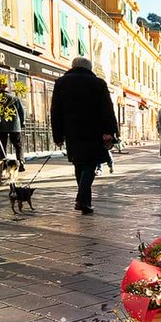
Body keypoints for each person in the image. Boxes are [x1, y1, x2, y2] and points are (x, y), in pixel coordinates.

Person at [50, 56, 118, 215]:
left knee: (78, 164)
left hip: (72, 132)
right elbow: (107, 109)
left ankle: (85, 202)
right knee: (90, 164)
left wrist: (58, 135)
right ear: (89, 68)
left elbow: (55, 111)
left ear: (73, 66)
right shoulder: (98, 83)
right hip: (94, 131)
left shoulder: (61, 83)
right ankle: (82, 199)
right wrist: (109, 131)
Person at [0, 83, 26, 171]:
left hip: (1, 126)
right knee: (18, 146)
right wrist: (22, 123)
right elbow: (21, 112)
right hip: (15, 126)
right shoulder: (15, 98)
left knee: (2, 147)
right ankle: (21, 163)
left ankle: (3, 165)